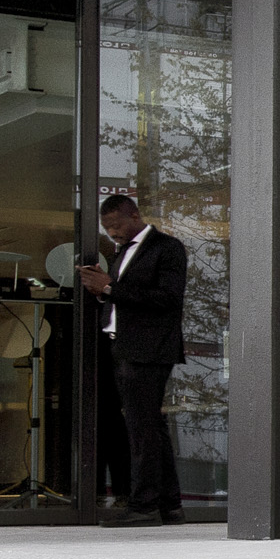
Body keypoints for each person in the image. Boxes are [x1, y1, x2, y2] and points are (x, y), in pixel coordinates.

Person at [83, 188, 190, 523]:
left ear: (134, 215)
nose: (112, 232)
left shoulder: (166, 248)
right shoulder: (120, 253)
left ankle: (143, 506)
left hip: (148, 351)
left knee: (141, 429)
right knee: (150, 427)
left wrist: (110, 288)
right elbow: (124, 299)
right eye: (106, 227)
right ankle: (169, 505)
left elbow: (168, 299)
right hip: (123, 346)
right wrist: (102, 293)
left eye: (116, 225)